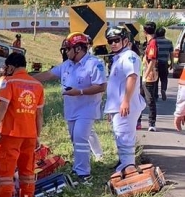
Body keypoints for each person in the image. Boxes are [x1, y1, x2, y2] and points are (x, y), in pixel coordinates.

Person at [31, 34, 106, 182]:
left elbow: (101, 86)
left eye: (68, 49)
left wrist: (80, 92)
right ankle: (78, 167)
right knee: (75, 139)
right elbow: (48, 75)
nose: (66, 52)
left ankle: (84, 173)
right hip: (71, 109)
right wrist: (25, 79)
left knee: (80, 137)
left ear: (78, 49)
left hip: (87, 109)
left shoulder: (94, 64)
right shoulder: (67, 65)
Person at [0, 50, 44, 197]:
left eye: (7, 68)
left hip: (10, 135)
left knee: (5, 175)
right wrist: (37, 136)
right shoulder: (38, 85)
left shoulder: (8, 82)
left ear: (11, 67)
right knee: (27, 174)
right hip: (30, 136)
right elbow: (39, 114)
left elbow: (2, 109)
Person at [104, 24, 143, 173]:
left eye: (116, 40)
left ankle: (128, 170)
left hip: (126, 106)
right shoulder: (118, 58)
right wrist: (111, 110)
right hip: (119, 107)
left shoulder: (129, 57)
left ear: (125, 41)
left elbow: (132, 77)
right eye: (110, 41)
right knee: (120, 138)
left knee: (125, 140)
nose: (113, 44)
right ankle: (125, 167)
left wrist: (126, 101)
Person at [142, 24, 159, 132]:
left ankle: (152, 122)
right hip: (145, 73)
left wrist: (145, 75)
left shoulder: (152, 43)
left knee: (150, 99)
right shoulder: (149, 43)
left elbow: (152, 60)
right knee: (140, 98)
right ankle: (137, 121)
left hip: (149, 76)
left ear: (145, 32)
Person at [155, 26, 173, 100]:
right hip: (164, 63)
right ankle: (163, 89)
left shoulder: (154, 42)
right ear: (164, 33)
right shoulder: (169, 42)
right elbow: (171, 54)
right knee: (164, 78)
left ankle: (155, 95)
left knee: (155, 80)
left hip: (155, 64)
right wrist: (172, 63)